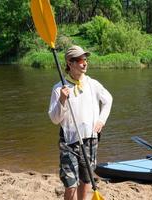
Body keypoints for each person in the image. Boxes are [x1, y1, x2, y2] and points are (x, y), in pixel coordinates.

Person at [48, 45, 113, 200]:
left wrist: (101, 120)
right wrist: (62, 100)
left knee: (86, 180)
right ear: (70, 63)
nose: (85, 63)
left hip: (90, 139)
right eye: (80, 60)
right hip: (69, 142)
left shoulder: (93, 84)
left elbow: (108, 100)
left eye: (85, 59)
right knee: (70, 184)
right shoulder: (59, 88)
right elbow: (54, 119)